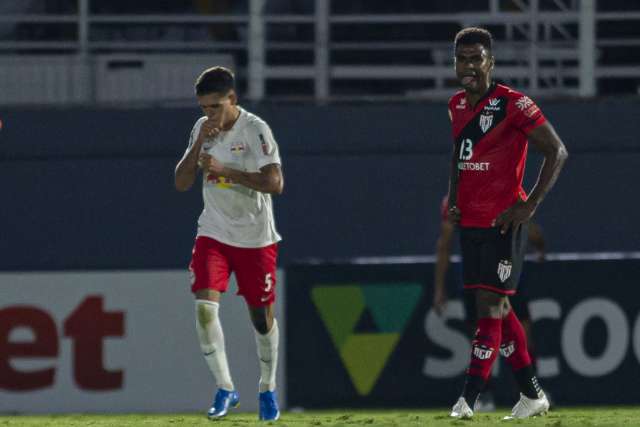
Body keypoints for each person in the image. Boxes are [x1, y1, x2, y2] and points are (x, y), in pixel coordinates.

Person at [445, 28, 567, 420]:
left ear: (490, 62)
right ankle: (532, 395)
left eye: (476, 58)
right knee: (500, 308)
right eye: (462, 59)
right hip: (472, 224)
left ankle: (468, 397)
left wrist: (528, 207)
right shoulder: (456, 105)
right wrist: (455, 199)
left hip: (503, 224)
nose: (468, 66)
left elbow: (557, 151)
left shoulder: (514, 104)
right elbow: (458, 157)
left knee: (489, 306)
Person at [174, 66, 284, 421]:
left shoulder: (255, 130)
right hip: (214, 233)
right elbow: (181, 183)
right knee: (205, 309)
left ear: (232, 99)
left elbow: (275, 183)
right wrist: (196, 146)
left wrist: (226, 170)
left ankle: (267, 388)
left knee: (261, 318)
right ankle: (225, 387)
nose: (209, 115)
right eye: (203, 108)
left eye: (215, 107)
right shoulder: (201, 129)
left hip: (255, 237)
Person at [433, 196, 547, 411]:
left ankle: (529, 392)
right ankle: (486, 395)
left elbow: (529, 228)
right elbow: (444, 243)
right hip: (478, 278)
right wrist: (439, 288)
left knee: (512, 333)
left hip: (505, 275)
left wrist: (538, 243)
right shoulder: (455, 199)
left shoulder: (504, 190)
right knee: (482, 336)